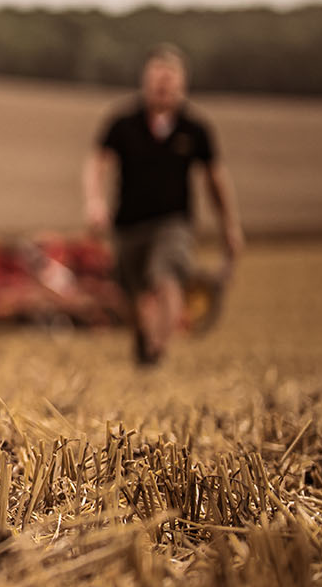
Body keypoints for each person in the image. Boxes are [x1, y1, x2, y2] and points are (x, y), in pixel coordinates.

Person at [83, 44, 244, 367]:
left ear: (182, 85)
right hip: (127, 224)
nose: (162, 85)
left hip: (174, 223)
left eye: (169, 78)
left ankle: (158, 348)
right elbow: (97, 164)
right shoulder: (122, 124)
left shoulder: (195, 130)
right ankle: (145, 337)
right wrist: (94, 202)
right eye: (157, 77)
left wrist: (230, 226)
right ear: (145, 81)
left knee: (167, 276)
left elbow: (215, 182)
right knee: (131, 293)